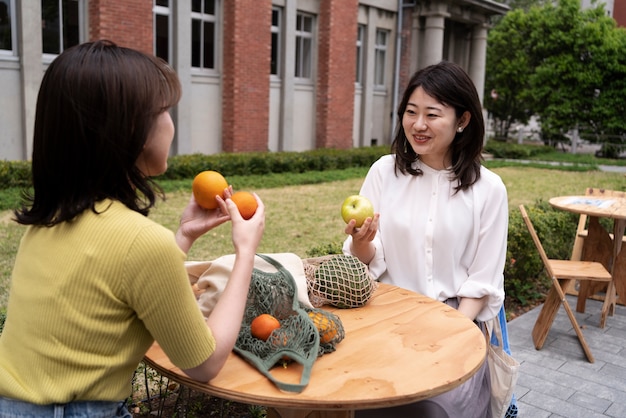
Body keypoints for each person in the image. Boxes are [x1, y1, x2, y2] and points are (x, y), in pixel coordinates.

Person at [0, 40, 265, 417]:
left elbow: (116, 284)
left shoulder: (47, 220)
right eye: (165, 111)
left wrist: (184, 236)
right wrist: (246, 253)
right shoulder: (140, 242)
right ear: (134, 131)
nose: (172, 123)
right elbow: (204, 364)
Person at [343, 61, 508, 418]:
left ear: (462, 120)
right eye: (411, 112)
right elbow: (366, 260)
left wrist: (448, 337)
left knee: (433, 409)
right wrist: (361, 242)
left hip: (456, 321)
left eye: (432, 114)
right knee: (369, 399)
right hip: (386, 318)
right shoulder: (384, 172)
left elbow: (482, 281)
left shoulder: (489, 189)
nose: (418, 125)